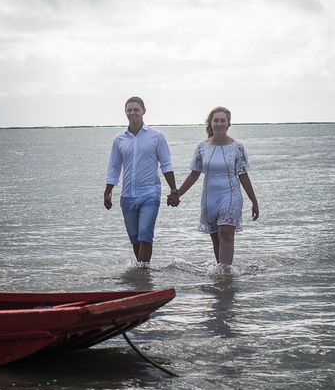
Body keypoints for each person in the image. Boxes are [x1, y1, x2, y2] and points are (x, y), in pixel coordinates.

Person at [172, 106, 259, 273]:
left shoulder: (237, 147)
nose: (219, 124)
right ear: (210, 123)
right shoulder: (202, 147)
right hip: (209, 198)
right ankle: (221, 276)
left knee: (226, 232)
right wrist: (177, 193)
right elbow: (194, 175)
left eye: (222, 120)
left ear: (228, 124)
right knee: (216, 239)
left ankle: (226, 274)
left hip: (231, 194)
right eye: (216, 120)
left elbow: (244, 176)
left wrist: (254, 202)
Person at [104, 97, 179, 266]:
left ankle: (143, 273)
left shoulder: (156, 137)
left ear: (144, 111)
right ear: (125, 113)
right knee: (135, 239)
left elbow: (166, 165)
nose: (133, 113)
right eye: (129, 110)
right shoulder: (119, 140)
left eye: (136, 109)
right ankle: (141, 273)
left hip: (150, 194)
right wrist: (108, 192)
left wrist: (174, 190)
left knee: (145, 234)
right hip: (127, 195)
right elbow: (114, 167)